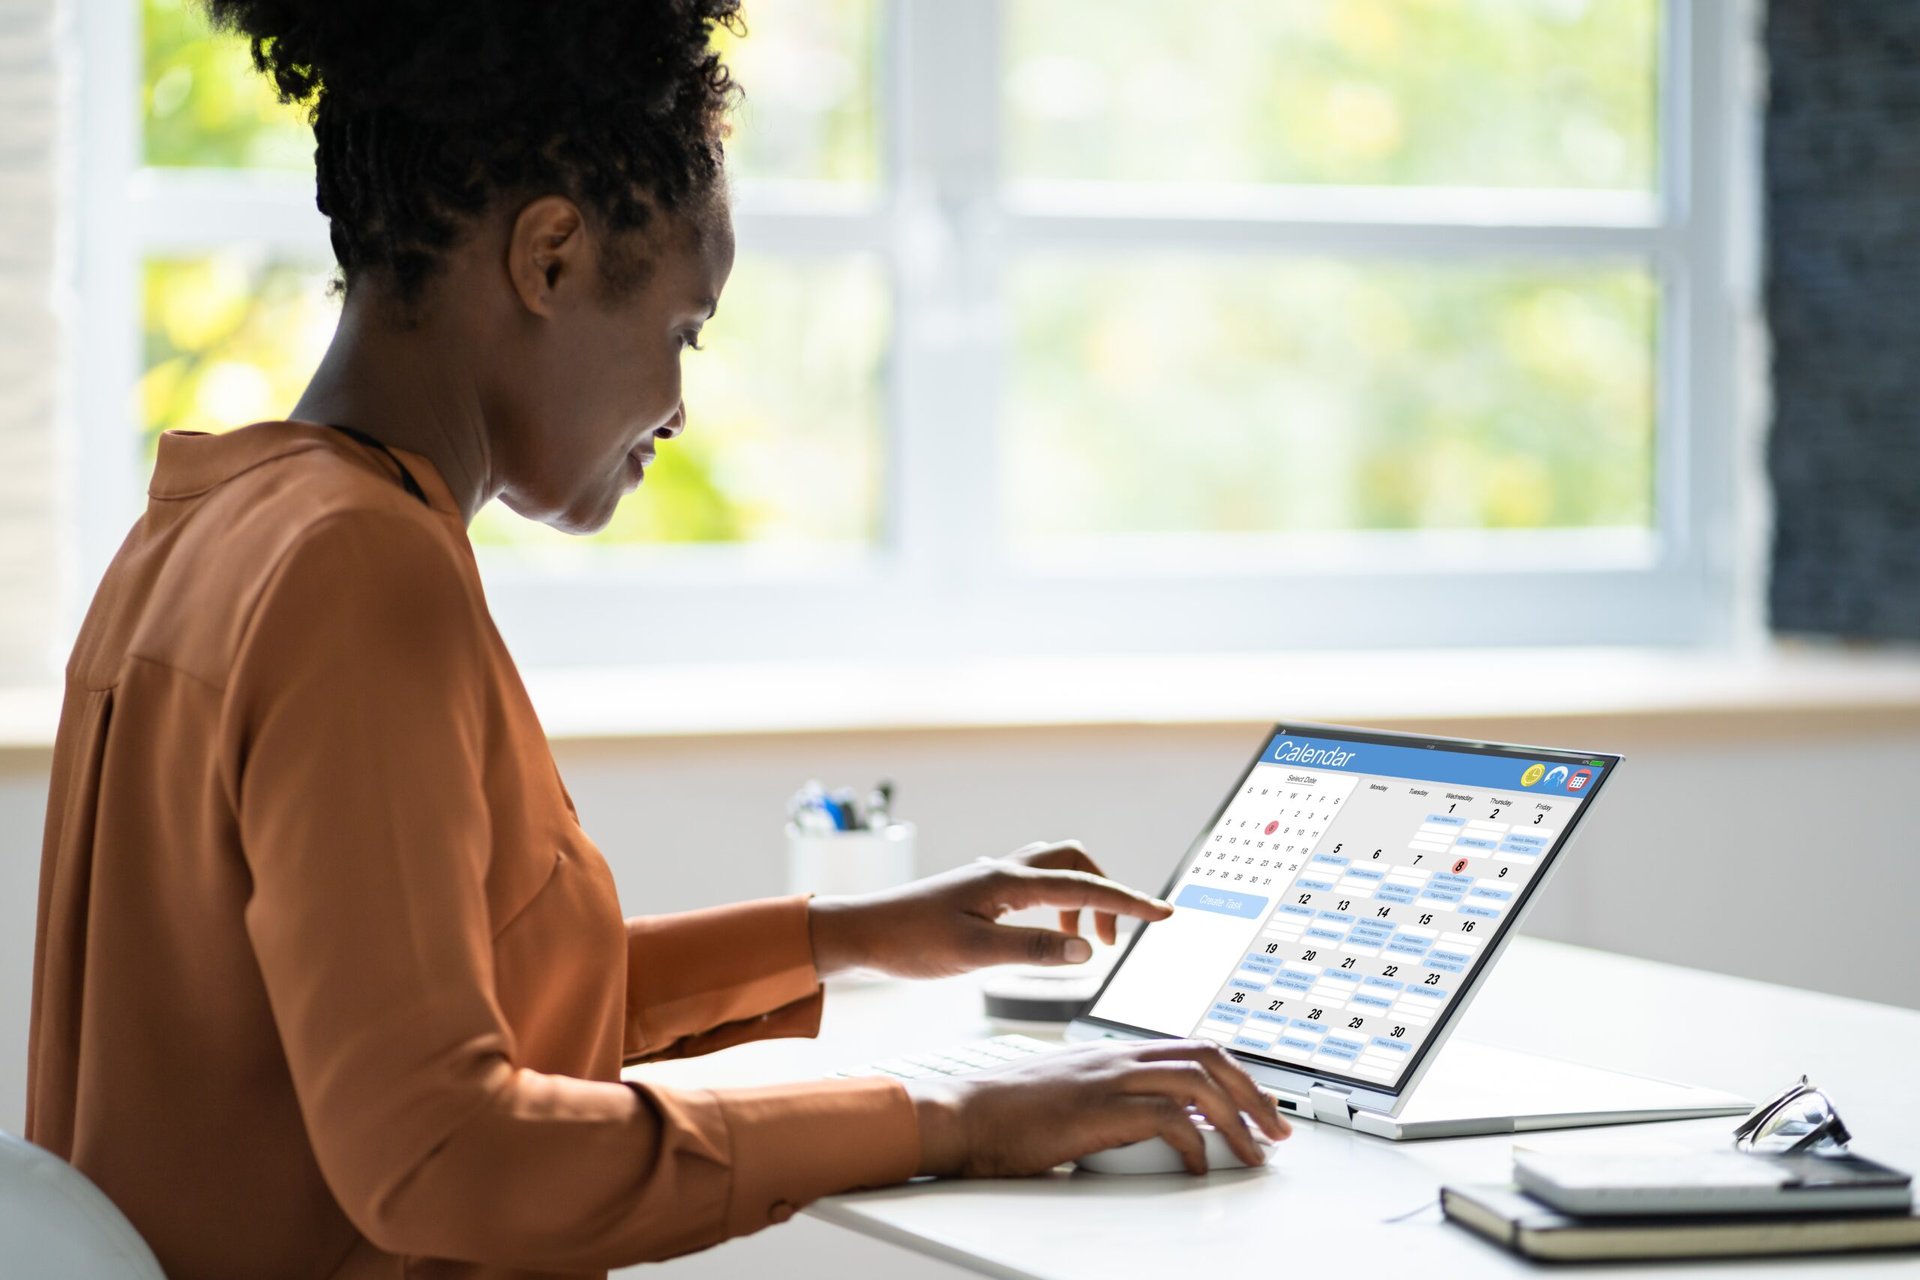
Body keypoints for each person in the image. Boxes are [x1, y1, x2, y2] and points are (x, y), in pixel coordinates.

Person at [25, 3, 1289, 1277]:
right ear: (552, 257)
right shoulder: (360, 570)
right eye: (685, 330)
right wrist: (948, 1118)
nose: (679, 403)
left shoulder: (201, 527)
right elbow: (444, 1148)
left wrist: (851, 933)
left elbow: (461, 1010)